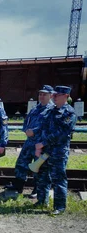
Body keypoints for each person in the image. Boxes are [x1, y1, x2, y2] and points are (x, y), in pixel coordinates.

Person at [34, 85, 76, 215]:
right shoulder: (50, 111)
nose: (54, 97)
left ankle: (59, 206)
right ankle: (42, 200)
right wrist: (38, 146)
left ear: (66, 96)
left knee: (58, 179)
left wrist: (43, 143)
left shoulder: (69, 113)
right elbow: (42, 129)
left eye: (56, 95)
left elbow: (62, 133)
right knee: (42, 176)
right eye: (53, 95)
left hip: (58, 152)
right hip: (45, 151)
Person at [5, 85, 53, 195]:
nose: (41, 96)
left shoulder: (52, 111)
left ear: (50, 95)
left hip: (41, 144)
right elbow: (26, 121)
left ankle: (37, 189)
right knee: (21, 163)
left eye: (44, 94)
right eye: (40, 94)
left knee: (39, 167)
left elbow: (48, 127)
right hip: (29, 142)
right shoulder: (35, 108)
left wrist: (34, 131)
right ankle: (18, 186)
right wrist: (26, 129)